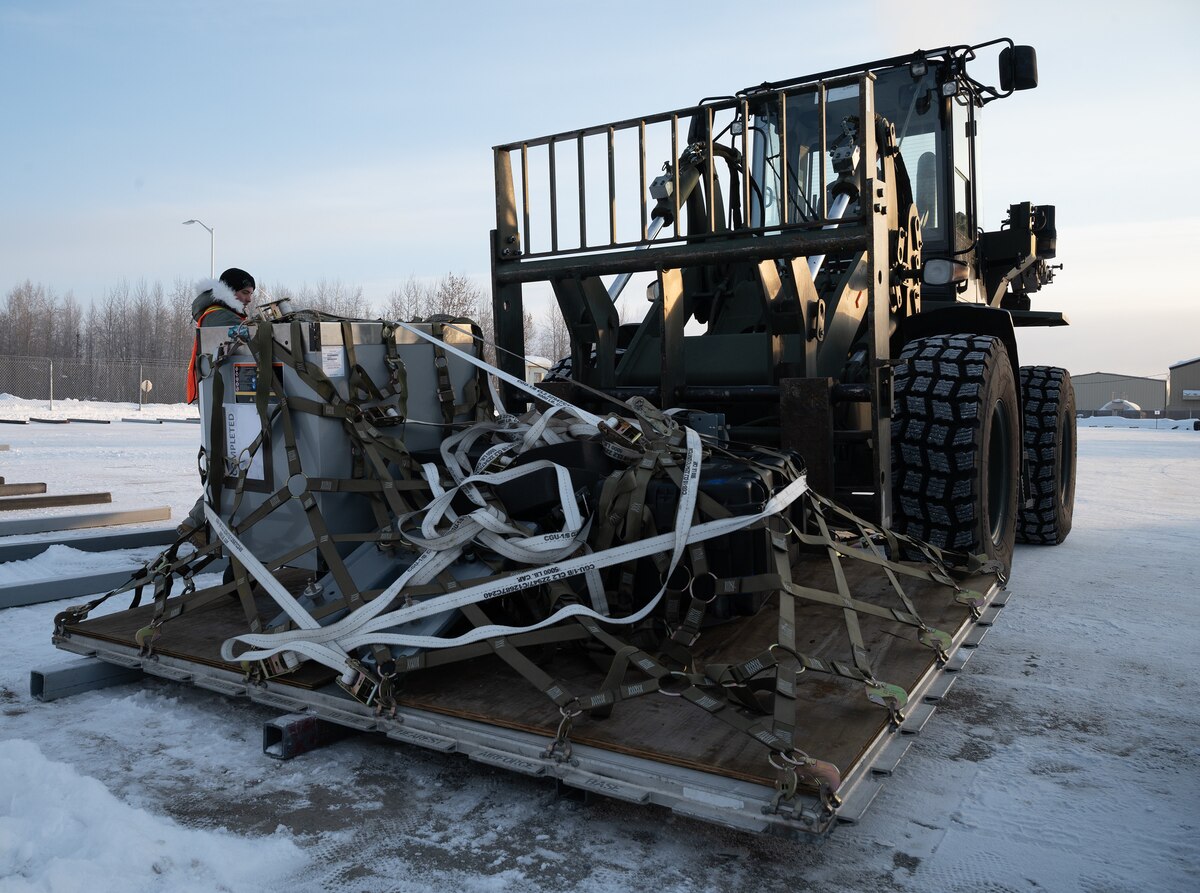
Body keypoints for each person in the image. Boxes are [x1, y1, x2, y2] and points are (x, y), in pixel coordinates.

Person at [180, 267, 256, 543]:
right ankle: (198, 522)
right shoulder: (219, 315)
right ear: (231, 290)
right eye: (245, 292)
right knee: (228, 464)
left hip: (225, 398)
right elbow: (249, 339)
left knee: (231, 463)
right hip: (223, 399)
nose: (249, 299)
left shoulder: (220, 312)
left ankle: (202, 522)